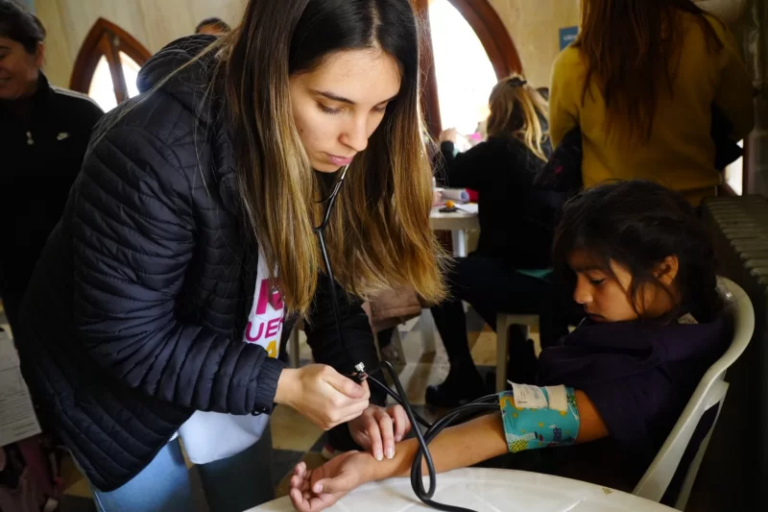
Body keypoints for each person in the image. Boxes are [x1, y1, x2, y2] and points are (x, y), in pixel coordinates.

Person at [16, 1, 446, 511]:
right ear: (269, 69)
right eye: (331, 105)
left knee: (244, 497)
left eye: (379, 108)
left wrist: (361, 389)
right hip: (113, 391)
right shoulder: (151, 149)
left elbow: (330, 288)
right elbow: (127, 336)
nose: (357, 138)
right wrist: (280, 383)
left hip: (225, 356)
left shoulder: (328, 148)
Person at [288, 180, 732, 511]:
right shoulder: (685, 328)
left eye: (596, 280)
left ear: (666, 269)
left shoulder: (641, 383)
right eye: (576, 278)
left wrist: (375, 467)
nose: (579, 295)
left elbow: (509, 427)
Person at [427, 75, 566, 407]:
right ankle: (519, 356)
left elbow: (448, 171)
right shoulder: (552, 149)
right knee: (478, 264)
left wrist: (446, 141)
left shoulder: (500, 150)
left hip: (524, 282)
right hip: (558, 282)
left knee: (434, 274)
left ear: (498, 113)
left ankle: (463, 373)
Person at [549, 0, 754, 205]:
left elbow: (564, 146)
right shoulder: (710, 37)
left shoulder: (573, 64)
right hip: (694, 216)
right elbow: (741, 120)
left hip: (608, 220)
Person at [0, 1, 103, 333]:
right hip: (21, 285)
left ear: (37, 52)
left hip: (92, 277)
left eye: (2, 54)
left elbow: (116, 193)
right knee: (44, 377)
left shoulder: (81, 114)